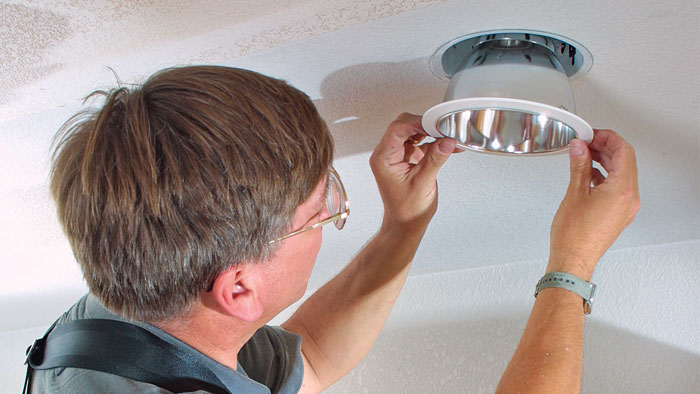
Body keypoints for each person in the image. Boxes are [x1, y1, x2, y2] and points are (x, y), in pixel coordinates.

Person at [27, 65, 639, 394]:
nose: (332, 219)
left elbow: (308, 362)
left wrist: (406, 222)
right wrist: (573, 264)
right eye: (323, 212)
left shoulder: (119, 317)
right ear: (238, 290)